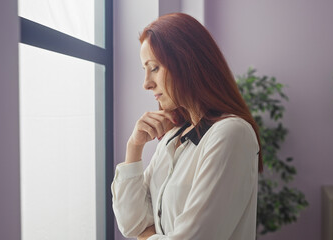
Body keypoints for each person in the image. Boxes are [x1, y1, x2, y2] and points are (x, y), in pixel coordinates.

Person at [111, 13, 262, 240]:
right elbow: (131, 224)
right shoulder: (174, 136)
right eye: (145, 69)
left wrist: (145, 235)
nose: (146, 83)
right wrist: (134, 147)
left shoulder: (232, 134)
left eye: (154, 68)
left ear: (187, 62)